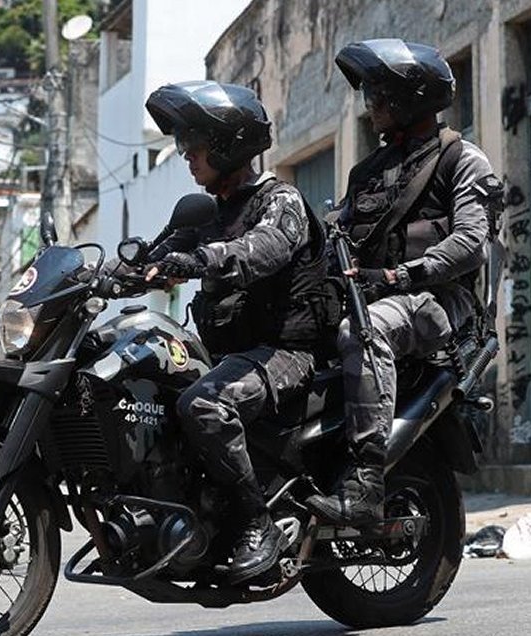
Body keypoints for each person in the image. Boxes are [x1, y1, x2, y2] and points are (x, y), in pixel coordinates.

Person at [305, 39, 503, 525]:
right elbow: (336, 238)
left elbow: (470, 242)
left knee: (363, 331)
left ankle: (366, 480)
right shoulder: (368, 171)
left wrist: (401, 275)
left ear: (411, 97)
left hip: (440, 304)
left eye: (378, 93)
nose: (369, 103)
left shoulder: (461, 159)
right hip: (376, 297)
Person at [143, 81, 334, 583]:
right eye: (183, 143)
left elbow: (262, 250)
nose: (185, 154)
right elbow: (158, 257)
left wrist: (198, 260)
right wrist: (106, 274)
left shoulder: (281, 201)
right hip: (229, 356)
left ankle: (257, 523)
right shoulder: (208, 212)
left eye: (195, 143)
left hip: (285, 353)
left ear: (230, 144)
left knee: (204, 406)